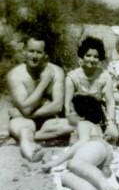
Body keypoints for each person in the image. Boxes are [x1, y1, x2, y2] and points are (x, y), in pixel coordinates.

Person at [7, 33, 73, 161]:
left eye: (39, 52)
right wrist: (43, 84)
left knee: (72, 125)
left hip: (47, 121)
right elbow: (26, 109)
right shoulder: (16, 75)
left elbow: (57, 106)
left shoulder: (56, 72)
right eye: (31, 51)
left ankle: (33, 137)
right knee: (25, 130)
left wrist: (27, 112)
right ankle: (31, 152)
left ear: (45, 55)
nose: (34, 56)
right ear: (25, 52)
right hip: (23, 122)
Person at [41, 95, 119, 190]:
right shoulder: (94, 127)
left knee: (73, 163)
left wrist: (55, 162)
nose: (67, 114)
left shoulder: (83, 124)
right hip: (97, 156)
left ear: (81, 116)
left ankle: (105, 186)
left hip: (94, 146)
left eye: (70, 110)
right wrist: (105, 166)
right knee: (66, 177)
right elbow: (103, 150)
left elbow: (83, 141)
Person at [65, 37, 118, 143]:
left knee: (113, 135)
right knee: (78, 140)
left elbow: (110, 102)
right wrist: (74, 120)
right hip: (78, 115)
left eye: (96, 57)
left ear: (100, 59)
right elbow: (67, 104)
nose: (92, 59)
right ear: (82, 57)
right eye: (88, 55)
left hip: (98, 115)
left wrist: (111, 122)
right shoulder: (72, 77)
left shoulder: (105, 77)